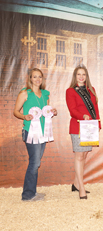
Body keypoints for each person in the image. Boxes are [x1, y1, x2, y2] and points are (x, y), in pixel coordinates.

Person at [14, 68, 58, 201]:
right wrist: (24, 116)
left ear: (42, 79)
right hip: (30, 131)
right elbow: (15, 111)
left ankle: (31, 192)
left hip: (43, 132)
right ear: (30, 79)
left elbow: (46, 111)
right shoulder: (24, 93)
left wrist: (52, 111)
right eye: (34, 77)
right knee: (34, 162)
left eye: (40, 77)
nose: (37, 79)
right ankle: (27, 195)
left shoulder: (45, 94)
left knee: (36, 162)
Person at [66, 66, 101, 199]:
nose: (81, 77)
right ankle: (81, 187)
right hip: (78, 127)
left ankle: (75, 184)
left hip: (90, 127)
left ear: (86, 77)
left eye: (84, 74)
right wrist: (83, 116)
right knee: (79, 156)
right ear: (75, 76)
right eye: (79, 74)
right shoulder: (70, 91)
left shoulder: (91, 91)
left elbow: (96, 109)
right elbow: (72, 110)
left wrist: (98, 124)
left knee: (84, 155)